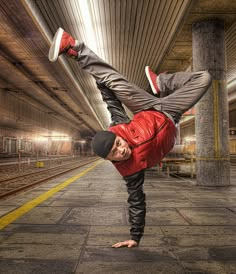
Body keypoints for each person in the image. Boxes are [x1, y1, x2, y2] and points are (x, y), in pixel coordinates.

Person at [49, 27, 212, 248]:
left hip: (147, 108)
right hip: (171, 115)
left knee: (114, 81)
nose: (121, 150)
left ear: (117, 136)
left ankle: (72, 47)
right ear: (109, 161)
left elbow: (111, 100)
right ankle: (161, 86)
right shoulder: (130, 171)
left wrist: (101, 79)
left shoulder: (119, 126)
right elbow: (136, 202)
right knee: (204, 78)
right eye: (115, 153)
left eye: (118, 144)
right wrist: (135, 237)